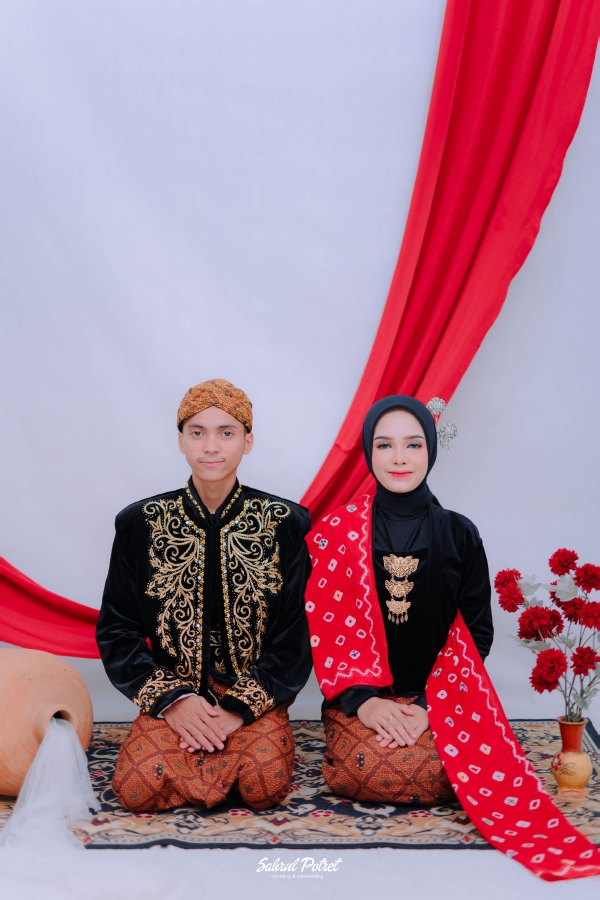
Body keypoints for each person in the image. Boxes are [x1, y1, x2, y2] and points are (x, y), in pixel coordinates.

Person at [97, 378, 312, 812]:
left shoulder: (285, 523)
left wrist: (238, 709)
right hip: (176, 693)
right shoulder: (140, 523)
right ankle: (204, 764)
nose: (211, 447)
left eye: (226, 433)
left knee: (263, 786)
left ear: (248, 441)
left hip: (252, 696)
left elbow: (297, 635)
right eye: (198, 432)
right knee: (136, 790)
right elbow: (117, 629)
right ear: (181, 441)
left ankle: (210, 766)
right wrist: (172, 702)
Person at [305, 395, 493, 805]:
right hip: (360, 697)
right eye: (385, 445)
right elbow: (324, 629)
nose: (399, 458)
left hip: (443, 694)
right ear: (369, 451)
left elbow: (476, 633)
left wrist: (428, 706)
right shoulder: (336, 531)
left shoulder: (460, 533)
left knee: (451, 770)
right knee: (368, 769)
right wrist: (364, 702)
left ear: (431, 449)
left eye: (413, 444)